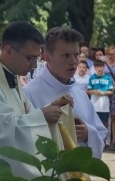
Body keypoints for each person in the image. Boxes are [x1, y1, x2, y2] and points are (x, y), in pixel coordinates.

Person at [0, 22, 69, 179]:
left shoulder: (12, 79)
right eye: (30, 58)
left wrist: (49, 109)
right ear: (9, 51)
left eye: (37, 59)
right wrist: (42, 116)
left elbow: (24, 114)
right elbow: (2, 132)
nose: (34, 66)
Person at [24, 27, 107, 160]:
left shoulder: (81, 95)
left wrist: (88, 133)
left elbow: (101, 132)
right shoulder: (28, 94)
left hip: (79, 175)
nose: (73, 61)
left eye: (75, 55)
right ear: (47, 58)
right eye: (66, 55)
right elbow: (22, 138)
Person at [87, 59, 113, 143]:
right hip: (94, 104)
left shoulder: (108, 78)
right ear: (94, 68)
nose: (99, 68)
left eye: (101, 66)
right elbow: (88, 91)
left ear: (104, 67)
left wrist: (104, 93)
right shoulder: (91, 77)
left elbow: (111, 91)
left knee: (104, 122)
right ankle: (94, 139)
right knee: (93, 122)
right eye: (97, 67)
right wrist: (95, 91)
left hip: (104, 105)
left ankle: (104, 139)